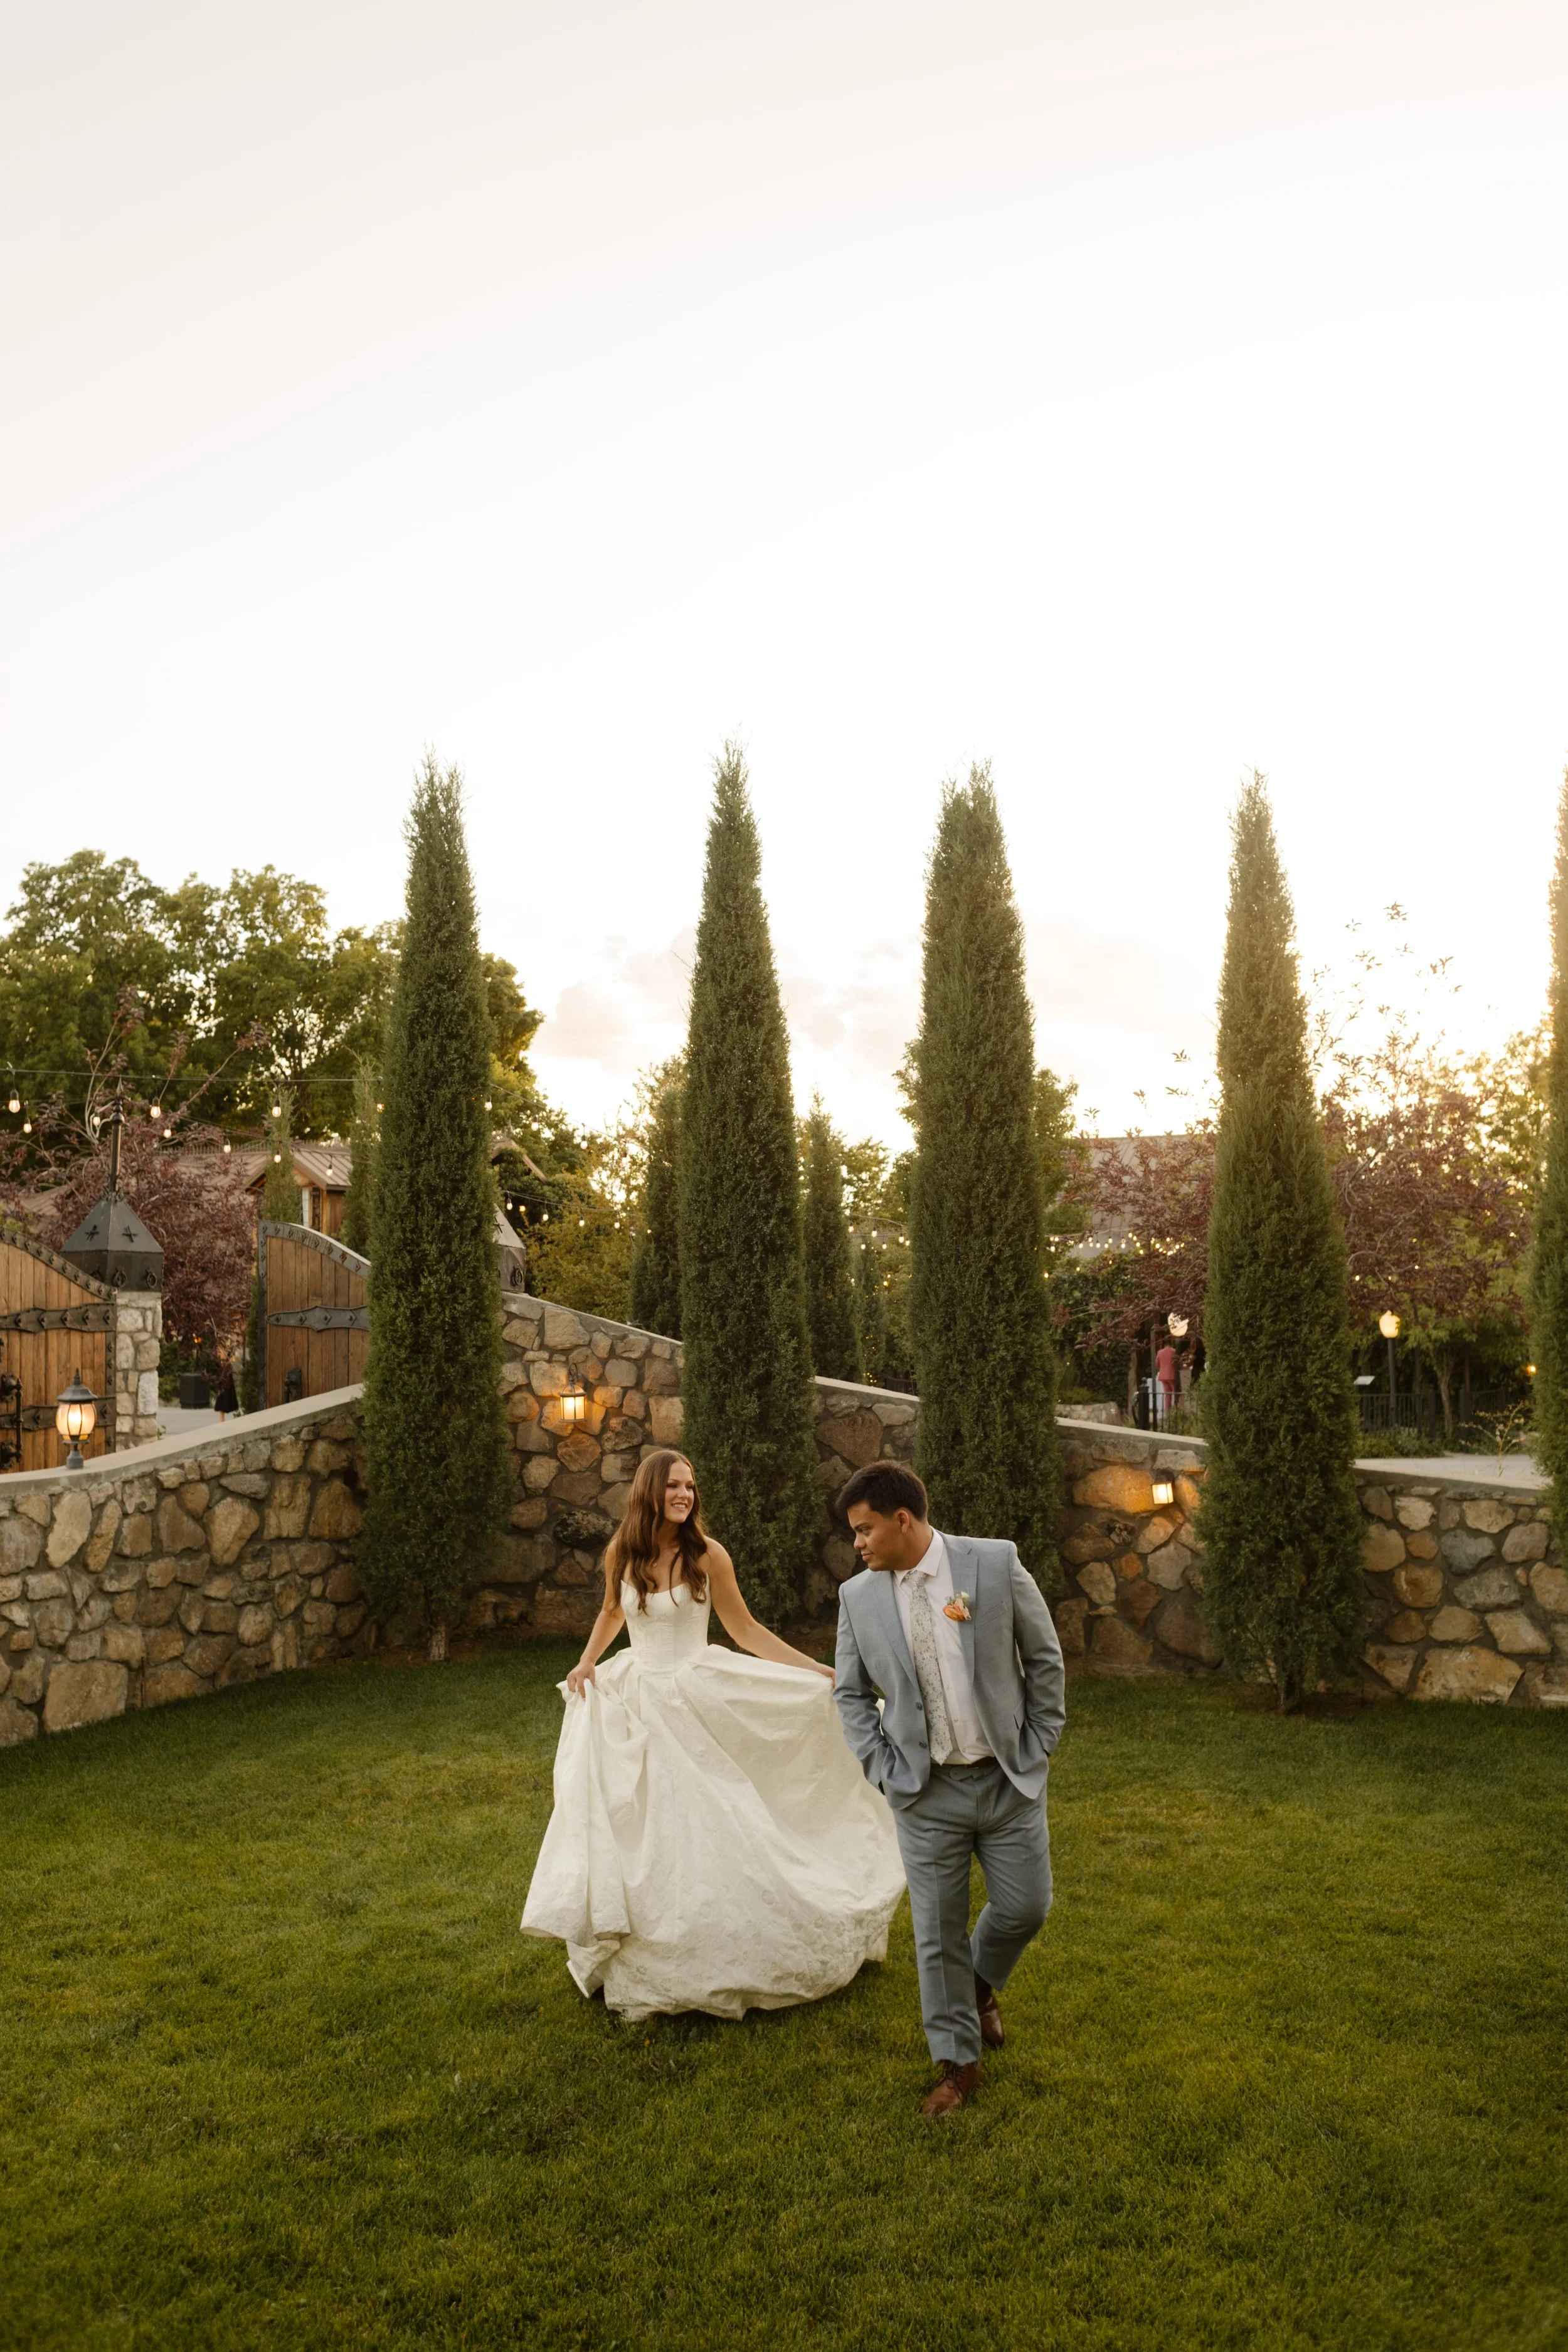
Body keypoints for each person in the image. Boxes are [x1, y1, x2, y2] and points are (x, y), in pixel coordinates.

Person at [521, 1448, 905, 2020]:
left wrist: (816, 1671)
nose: (685, 1495)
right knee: (642, 1827)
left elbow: (745, 1629)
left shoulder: (707, 1555)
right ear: (651, 1490)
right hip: (637, 1694)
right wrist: (585, 1662)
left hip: (694, 1690)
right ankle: (644, 1951)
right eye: (675, 1486)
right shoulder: (620, 1552)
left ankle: (737, 1944)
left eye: (691, 1487)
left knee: (715, 1816)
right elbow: (612, 1613)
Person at [833, 1461, 1065, 2117]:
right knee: (936, 1931)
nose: (858, 1544)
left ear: (901, 1520)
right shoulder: (859, 1598)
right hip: (923, 1789)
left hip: (1006, 1778)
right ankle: (957, 2065)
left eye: (864, 1530)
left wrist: (1039, 1740)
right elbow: (850, 1692)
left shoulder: (992, 1565)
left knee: (1026, 1908)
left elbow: (1043, 1657)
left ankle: (978, 1984)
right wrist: (881, 1767)